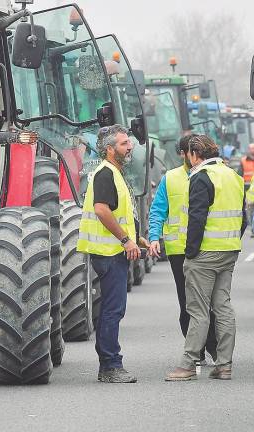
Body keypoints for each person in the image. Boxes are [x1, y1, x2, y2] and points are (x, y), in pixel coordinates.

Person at [165, 135, 246, 382]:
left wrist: (190, 253)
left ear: (193, 154)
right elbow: (244, 217)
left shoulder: (201, 177)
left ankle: (188, 364)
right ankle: (224, 365)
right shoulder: (233, 176)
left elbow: (197, 219)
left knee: (198, 311)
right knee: (222, 307)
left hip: (205, 254)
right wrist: (232, 242)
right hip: (229, 250)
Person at [77, 124, 149, 384]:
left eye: (129, 143)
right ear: (109, 149)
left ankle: (110, 364)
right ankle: (110, 366)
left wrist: (136, 237)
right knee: (112, 310)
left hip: (114, 250)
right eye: (123, 144)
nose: (130, 147)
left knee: (113, 309)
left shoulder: (115, 173)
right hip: (109, 252)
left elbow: (120, 213)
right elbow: (102, 210)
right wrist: (125, 239)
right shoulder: (106, 174)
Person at [148, 135, 218, 363]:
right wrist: (154, 237)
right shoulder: (170, 179)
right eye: (190, 150)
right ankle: (196, 350)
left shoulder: (213, 175)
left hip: (209, 248)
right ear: (182, 153)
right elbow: (158, 210)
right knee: (187, 303)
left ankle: (215, 348)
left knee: (211, 303)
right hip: (180, 252)